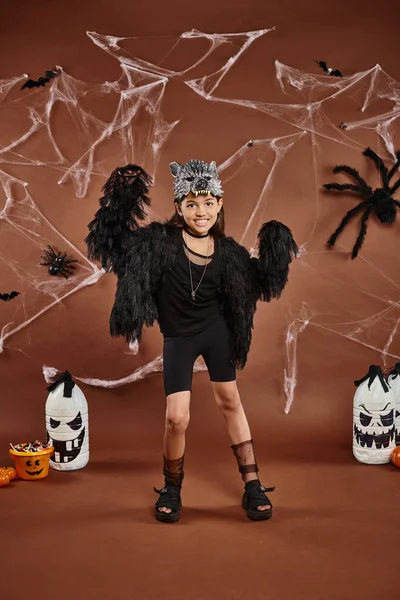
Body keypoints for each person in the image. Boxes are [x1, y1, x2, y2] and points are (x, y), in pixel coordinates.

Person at [85, 159, 298, 523]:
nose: (201, 212)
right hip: (180, 337)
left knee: (230, 400)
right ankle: (172, 486)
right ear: (180, 207)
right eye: (192, 204)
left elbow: (261, 283)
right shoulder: (157, 242)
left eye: (208, 203)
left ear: (219, 204)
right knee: (176, 418)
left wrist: (276, 246)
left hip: (217, 333)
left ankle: (253, 483)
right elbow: (115, 243)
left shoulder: (229, 253)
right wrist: (125, 192)